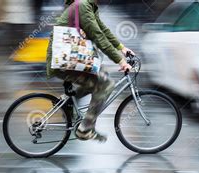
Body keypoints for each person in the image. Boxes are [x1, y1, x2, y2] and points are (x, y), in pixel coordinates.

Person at [46, 0, 134, 141]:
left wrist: (121, 47)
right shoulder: (83, 5)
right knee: (106, 84)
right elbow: (98, 37)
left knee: (102, 75)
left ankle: (68, 101)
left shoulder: (89, 5)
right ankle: (85, 129)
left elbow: (102, 29)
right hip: (64, 61)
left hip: (71, 59)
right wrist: (121, 61)